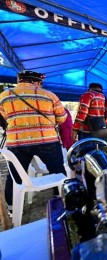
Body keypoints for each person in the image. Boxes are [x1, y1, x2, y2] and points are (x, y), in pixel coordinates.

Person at [0, 70, 67, 215]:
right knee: (57, 169)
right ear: (36, 82)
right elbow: (62, 118)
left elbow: (5, 117)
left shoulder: (4, 96)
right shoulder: (49, 95)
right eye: (40, 83)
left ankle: (12, 208)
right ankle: (59, 197)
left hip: (17, 143)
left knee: (14, 176)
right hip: (47, 140)